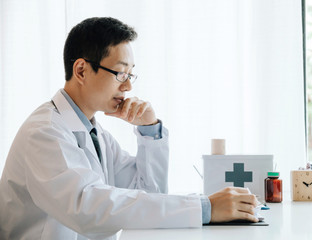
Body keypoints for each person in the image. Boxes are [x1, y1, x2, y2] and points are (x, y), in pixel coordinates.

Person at [0, 17, 259, 240]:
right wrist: (204, 208)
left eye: (130, 75)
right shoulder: (44, 132)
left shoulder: (95, 133)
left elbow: (147, 194)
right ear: (81, 70)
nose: (128, 88)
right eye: (120, 74)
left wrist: (149, 130)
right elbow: (87, 207)